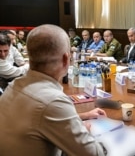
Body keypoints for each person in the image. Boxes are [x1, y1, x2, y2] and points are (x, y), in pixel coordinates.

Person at [0, 24, 107, 156]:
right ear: (66, 59)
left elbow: (44, 121)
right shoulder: (52, 101)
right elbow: (95, 154)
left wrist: (83, 116)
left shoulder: (14, 85)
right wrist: (87, 131)